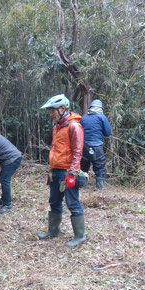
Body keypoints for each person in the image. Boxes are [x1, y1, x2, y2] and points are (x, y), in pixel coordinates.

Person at [38, 94, 86, 247]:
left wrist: (72, 173)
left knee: (72, 203)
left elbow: (78, 151)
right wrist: (51, 169)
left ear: (62, 109)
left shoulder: (74, 126)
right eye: (50, 111)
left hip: (67, 172)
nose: (51, 113)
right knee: (54, 201)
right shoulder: (57, 126)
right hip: (56, 171)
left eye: (53, 110)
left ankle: (80, 236)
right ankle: (53, 231)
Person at [80, 99, 112, 190]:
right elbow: (108, 132)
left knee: (83, 166)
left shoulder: (84, 117)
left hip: (84, 146)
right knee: (100, 167)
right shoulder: (102, 117)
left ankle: (82, 187)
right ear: (100, 108)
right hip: (97, 146)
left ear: (90, 108)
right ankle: (99, 188)